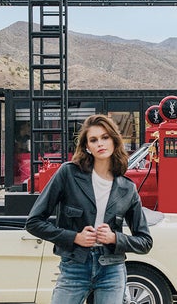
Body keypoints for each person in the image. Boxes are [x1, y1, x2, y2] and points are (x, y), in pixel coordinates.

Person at [26, 114, 153, 304]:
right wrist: (74, 237)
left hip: (112, 269)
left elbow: (145, 241)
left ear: (114, 141)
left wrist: (114, 238)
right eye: (93, 140)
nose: (100, 143)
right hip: (74, 266)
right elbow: (34, 222)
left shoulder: (128, 188)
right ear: (87, 146)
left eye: (105, 137)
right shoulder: (68, 173)